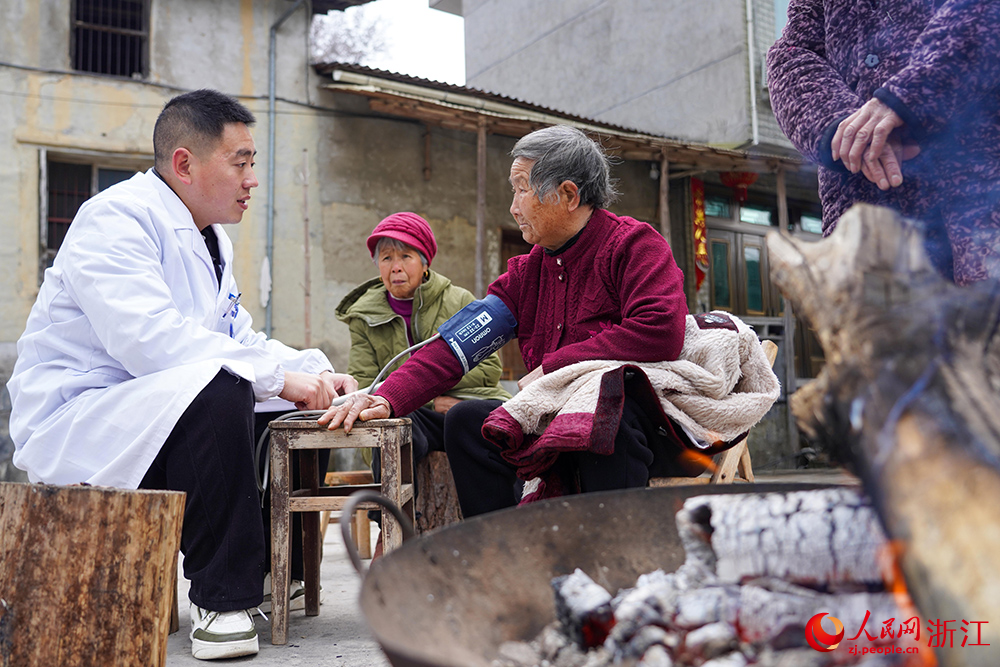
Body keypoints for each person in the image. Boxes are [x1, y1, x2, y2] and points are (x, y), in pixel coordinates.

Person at [6, 89, 357, 661]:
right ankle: (221, 601)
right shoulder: (115, 219)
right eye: (240, 162)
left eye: (252, 165)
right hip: (84, 422)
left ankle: (274, 569)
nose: (252, 180)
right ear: (185, 164)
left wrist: (312, 372)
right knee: (222, 384)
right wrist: (273, 377)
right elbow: (151, 342)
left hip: (152, 412)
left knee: (276, 394)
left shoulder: (209, 238)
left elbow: (236, 338)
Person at [319, 125, 690, 518]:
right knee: (466, 421)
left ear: (567, 194)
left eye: (521, 188)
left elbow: (661, 328)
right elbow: (457, 346)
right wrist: (386, 397)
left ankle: (606, 561)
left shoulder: (633, 245)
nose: (513, 207)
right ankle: (503, 554)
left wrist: (555, 366)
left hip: (633, 428)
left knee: (603, 413)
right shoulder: (526, 275)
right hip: (553, 421)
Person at [766, 0, 1000, 286]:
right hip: (865, 211)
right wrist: (849, 129)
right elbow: (793, 53)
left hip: (976, 181)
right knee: (881, 322)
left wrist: (908, 95)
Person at [335, 212, 511, 545]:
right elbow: (366, 381)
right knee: (393, 421)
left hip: (466, 408)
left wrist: (450, 398)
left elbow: (490, 369)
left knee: (474, 421)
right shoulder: (363, 315)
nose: (395, 266)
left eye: (405, 256)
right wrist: (429, 398)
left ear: (425, 261)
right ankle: (391, 531)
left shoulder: (459, 301)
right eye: (386, 258)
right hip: (419, 417)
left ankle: (487, 534)